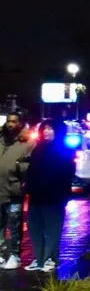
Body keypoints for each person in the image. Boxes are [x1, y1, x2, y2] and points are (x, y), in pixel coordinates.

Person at [23, 120, 74, 272]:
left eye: (50, 129)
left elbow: (67, 173)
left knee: (52, 228)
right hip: (36, 195)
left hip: (54, 196)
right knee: (35, 227)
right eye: (44, 129)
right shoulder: (37, 149)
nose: (46, 132)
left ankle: (50, 258)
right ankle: (38, 258)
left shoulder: (64, 150)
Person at [1, 112, 32, 269]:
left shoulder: (26, 143)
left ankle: (14, 254)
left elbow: (30, 164)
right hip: (0, 190)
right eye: (8, 121)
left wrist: (20, 167)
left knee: (14, 223)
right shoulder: (1, 140)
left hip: (14, 191)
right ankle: (1, 254)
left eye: (14, 121)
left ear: (20, 123)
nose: (10, 124)